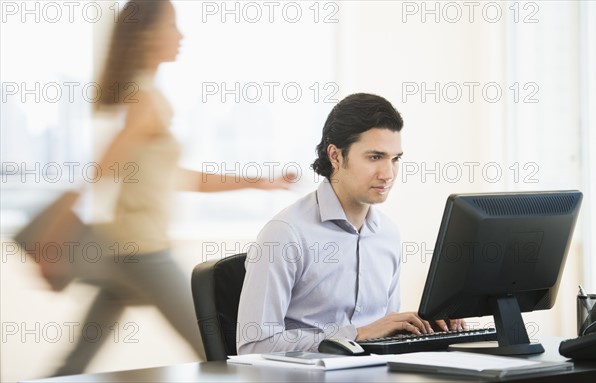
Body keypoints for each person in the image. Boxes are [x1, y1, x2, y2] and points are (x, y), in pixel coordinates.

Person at [51, 0, 291, 376]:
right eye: (173, 25)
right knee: (216, 348)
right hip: (142, 250)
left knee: (76, 362)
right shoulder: (144, 98)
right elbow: (102, 168)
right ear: (147, 35)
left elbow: (178, 178)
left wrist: (257, 182)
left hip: (125, 247)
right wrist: (57, 234)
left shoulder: (147, 94)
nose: (181, 35)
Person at [237, 93, 464, 354]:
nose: (388, 173)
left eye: (395, 159)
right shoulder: (285, 233)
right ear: (335, 156)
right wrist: (355, 335)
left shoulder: (387, 234)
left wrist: (420, 327)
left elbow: (385, 333)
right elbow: (253, 346)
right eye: (375, 157)